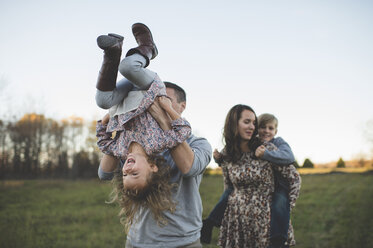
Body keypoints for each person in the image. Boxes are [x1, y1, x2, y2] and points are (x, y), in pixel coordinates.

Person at [97, 23, 212, 248]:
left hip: (183, 243)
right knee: (122, 78)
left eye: (163, 98)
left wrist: (109, 119)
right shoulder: (136, 148)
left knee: (103, 98)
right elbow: (104, 173)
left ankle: (114, 53)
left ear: (182, 106)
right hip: (138, 242)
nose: (147, 102)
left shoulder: (198, 143)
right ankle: (147, 48)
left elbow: (190, 167)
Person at [201, 112, 297, 247]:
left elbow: (292, 168)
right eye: (262, 127)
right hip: (239, 218)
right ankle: (210, 222)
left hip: (269, 205)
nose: (266, 131)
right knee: (228, 193)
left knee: (280, 202)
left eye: (270, 128)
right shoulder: (232, 150)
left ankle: (278, 239)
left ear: (276, 131)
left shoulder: (273, 145)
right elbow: (228, 179)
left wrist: (266, 154)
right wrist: (219, 159)